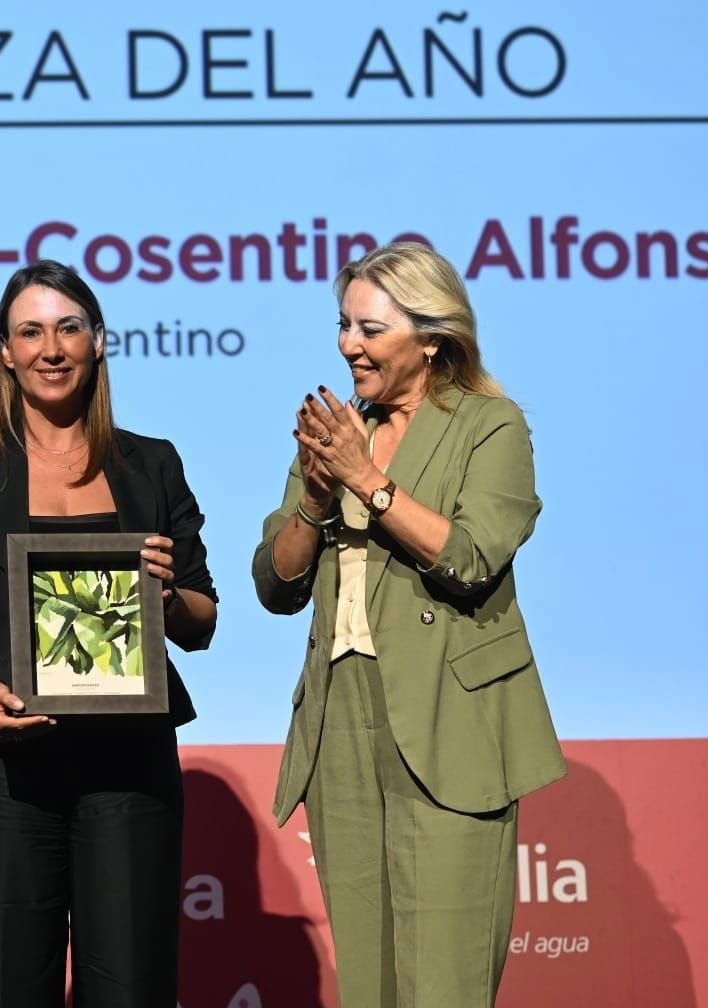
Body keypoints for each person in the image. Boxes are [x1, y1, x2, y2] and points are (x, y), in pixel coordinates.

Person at [252, 242, 565, 1007]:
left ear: (431, 338)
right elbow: (274, 581)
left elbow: (469, 558)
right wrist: (319, 496)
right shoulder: (338, 431)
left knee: (444, 977)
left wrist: (367, 479)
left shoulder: (490, 426)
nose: (347, 345)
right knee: (369, 974)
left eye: (370, 329)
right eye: (343, 325)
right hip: (342, 711)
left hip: (448, 713)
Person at [0, 259, 219, 1007]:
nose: (51, 348)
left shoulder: (152, 463)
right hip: (7, 765)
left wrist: (164, 591)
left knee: (132, 987)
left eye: (69, 327)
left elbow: (202, 620)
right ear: (5, 354)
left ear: (99, 342)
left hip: (130, 761)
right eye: (30, 331)